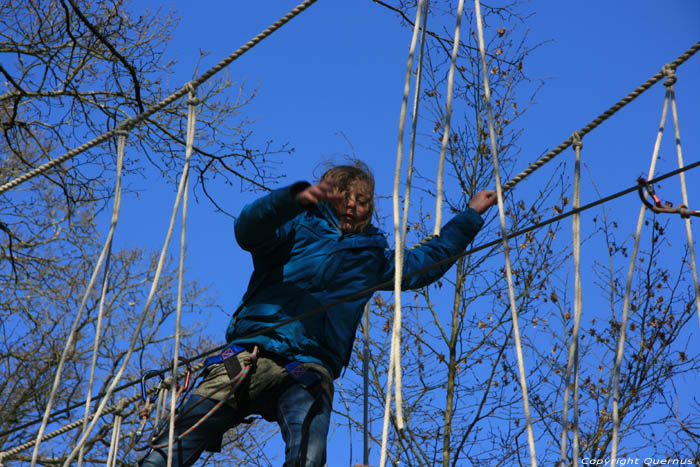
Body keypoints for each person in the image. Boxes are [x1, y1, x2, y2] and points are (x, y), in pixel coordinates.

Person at [141, 162, 496, 467]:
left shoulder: (372, 258)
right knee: (174, 442)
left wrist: (470, 215)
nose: (353, 206)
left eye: (362, 201)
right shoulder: (295, 230)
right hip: (249, 356)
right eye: (345, 197)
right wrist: (291, 201)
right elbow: (248, 230)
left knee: (309, 454)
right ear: (328, 197)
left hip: (307, 368)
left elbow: (425, 265)